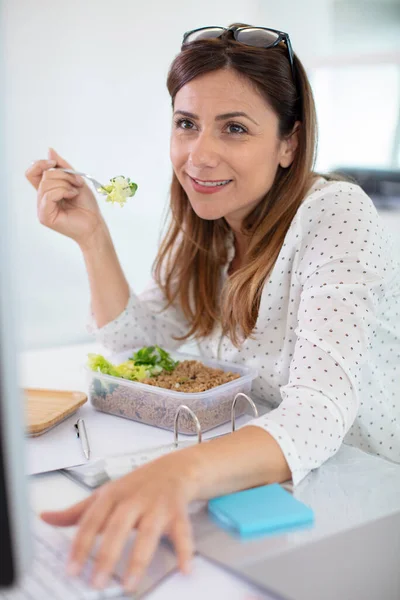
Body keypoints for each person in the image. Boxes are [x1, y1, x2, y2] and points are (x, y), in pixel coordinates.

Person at [25, 23, 400, 594]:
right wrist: (92, 237)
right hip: (276, 477)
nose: (199, 155)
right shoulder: (215, 227)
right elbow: (133, 346)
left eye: (235, 128)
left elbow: (319, 413)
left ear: (289, 143)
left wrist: (177, 474)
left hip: (368, 492)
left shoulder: (335, 214)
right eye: (186, 124)